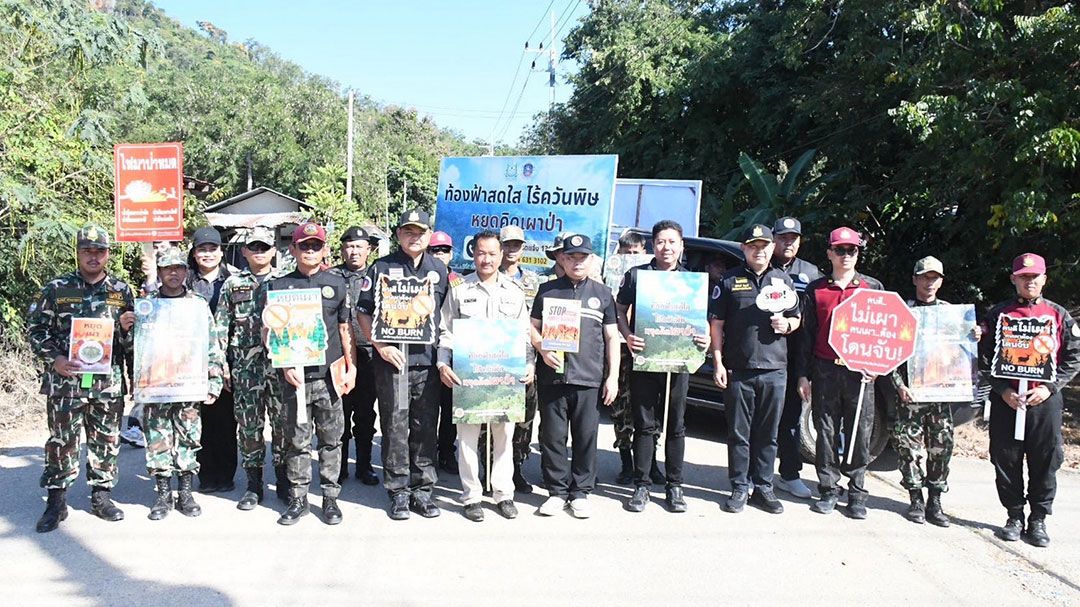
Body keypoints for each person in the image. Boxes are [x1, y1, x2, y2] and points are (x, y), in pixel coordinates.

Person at [27, 224, 136, 533]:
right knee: (62, 441)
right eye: (87, 250)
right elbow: (36, 330)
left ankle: (101, 497)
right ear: (77, 252)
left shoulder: (121, 291)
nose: (93, 256)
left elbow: (131, 342)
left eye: (99, 251)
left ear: (108, 254)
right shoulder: (56, 288)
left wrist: (126, 330)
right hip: (66, 381)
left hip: (106, 382)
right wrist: (56, 359)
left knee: (106, 439)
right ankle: (56, 502)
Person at [980, 253, 1080, 547]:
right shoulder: (998, 315)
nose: (1029, 281)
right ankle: (1014, 516)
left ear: (1044, 279)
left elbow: (1074, 357)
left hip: (1044, 402)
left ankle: (1038, 519)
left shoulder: (1058, 315)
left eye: (1034, 276)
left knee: (1045, 459)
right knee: (1005, 458)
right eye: (1024, 277)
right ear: (1014, 279)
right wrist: (1003, 390)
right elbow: (983, 359)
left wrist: (1050, 387)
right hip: (1007, 401)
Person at [356, 209, 450, 520]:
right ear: (398, 235)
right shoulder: (381, 268)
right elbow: (363, 312)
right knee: (395, 427)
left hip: (427, 363)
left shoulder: (439, 270)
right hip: (392, 363)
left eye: (420, 232)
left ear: (428, 235)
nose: (414, 237)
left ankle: (422, 491)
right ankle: (398, 491)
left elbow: (448, 317)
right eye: (408, 231)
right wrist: (381, 346)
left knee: (425, 427)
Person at [263, 222, 356, 526]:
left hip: (329, 377)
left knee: (332, 441)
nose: (311, 250)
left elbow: (344, 328)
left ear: (324, 249)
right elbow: (268, 331)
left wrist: (351, 366)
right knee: (297, 442)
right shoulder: (278, 286)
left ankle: (330, 498)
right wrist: (283, 364)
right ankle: (298, 499)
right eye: (305, 245)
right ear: (293, 249)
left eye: (316, 245)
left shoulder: (336, 284)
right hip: (296, 379)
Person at [437, 229, 534, 521]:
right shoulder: (459, 289)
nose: (486, 259)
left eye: (492, 253)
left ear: (501, 255)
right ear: (473, 254)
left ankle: (503, 494)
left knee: (504, 436)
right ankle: (471, 497)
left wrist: (529, 364)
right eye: (481, 253)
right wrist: (442, 364)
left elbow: (524, 333)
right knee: (467, 438)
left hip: (505, 377)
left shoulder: (514, 291)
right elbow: (446, 330)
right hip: (469, 376)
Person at [711, 224, 801, 514]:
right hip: (739, 369)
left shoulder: (783, 281)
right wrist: (718, 361)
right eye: (753, 246)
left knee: (768, 434)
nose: (759, 251)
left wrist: (788, 325)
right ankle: (739, 486)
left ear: (772, 248)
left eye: (764, 246)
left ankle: (763, 486)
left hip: (775, 369)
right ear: (744, 248)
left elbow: (797, 317)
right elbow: (716, 325)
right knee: (739, 433)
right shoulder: (729, 280)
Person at [619, 220, 708, 513]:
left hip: (679, 363)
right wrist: (627, 334)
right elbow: (619, 310)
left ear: (681, 246)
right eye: (660, 241)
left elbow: (704, 320)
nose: (666, 247)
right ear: (653, 245)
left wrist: (704, 336)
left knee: (676, 425)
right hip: (646, 360)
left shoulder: (691, 282)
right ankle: (642, 485)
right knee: (644, 425)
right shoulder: (637, 276)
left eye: (672, 242)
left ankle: (674, 485)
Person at [797, 226, 884, 519]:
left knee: (860, 432)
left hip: (860, 372)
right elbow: (806, 335)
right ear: (830, 253)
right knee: (826, 432)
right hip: (825, 370)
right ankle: (828, 489)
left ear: (857, 253)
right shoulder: (816, 289)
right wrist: (803, 375)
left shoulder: (872, 288)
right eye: (840, 250)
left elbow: (884, 332)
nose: (846, 255)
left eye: (852, 250)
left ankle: (857, 493)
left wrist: (879, 366)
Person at [530, 234, 620, 518]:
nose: (577, 262)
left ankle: (580, 492)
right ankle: (556, 492)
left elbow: (612, 337)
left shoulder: (603, 294)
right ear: (562, 259)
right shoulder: (547, 291)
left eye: (582, 257)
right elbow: (531, 327)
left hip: (588, 377)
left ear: (591, 260)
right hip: (552, 376)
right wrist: (542, 348)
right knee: (553, 437)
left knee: (586, 437)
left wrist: (613, 377)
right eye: (571, 257)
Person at [889, 256, 978, 527]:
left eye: (935, 278)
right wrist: (899, 386)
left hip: (941, 393)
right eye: (924, 277)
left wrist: (974, 335)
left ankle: (935, 500)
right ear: (915, 279)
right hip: (911, 394)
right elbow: (889, 354)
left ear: (941, 281)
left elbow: (963, 353)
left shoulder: (952, 314)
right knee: (908, 447)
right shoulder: (903, 312)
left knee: (941, 447)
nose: (929, 282)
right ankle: (915, 499)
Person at [141, 246, 225, 520]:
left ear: (186, 271)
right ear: (160, 272)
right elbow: (137, 347)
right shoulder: (147, 304)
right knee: (158, 438)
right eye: (167, 268)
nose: (173, 273)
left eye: (178, 268)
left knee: (189, 437)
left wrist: (214, 381)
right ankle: (163, 495)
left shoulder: (197, 304)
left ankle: (185, 493)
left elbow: (211, 343)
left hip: (188, 383)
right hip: (157, 385)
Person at [214, 226, 288, 509]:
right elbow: (221, 326)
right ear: (244, 251)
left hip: (279, 366)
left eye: (264, 247)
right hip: (245, 368)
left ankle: (283, 479)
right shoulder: (232, 284)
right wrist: (221, 365)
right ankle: (254, 484)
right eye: (254, 247)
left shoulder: (285, 282)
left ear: (273, 250)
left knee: (282, 424)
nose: (259, 252)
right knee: (249, 427)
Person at [770, 217, 823, 500]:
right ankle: (755, 474)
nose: (788, 243)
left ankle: (789, 474)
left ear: (800, 241)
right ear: (773, 240)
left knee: (791, 418)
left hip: (796, 357)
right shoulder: (761, 265)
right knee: (761, 418)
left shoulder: (811, 273)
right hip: (764, 354)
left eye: (793, 238)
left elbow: (817, 320)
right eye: (782, 238)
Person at [187, 226, 239, 492]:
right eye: (202, 249)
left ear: (221, 252)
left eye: (212, 249)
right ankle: (206, 475)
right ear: (194, 253)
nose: (207, 254)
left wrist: (227, 363)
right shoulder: (184, 282)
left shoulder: (234, 280)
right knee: (201, 419)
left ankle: (226, 475)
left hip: (227, 360)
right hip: (191, 361)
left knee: (226, 419)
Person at [327, 226, 380, 486]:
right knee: (339, 412)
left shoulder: (377, 275)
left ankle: (364, 465)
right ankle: (339, 466)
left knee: (365, 412)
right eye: (349, 246)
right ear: (342, 250)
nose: (354, 251)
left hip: (368, 351)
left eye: (359, 246)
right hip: (338, 353)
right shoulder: (330, 276)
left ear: (369, 249)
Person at [499, 225, 542, 492]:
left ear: (523, 248)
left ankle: (516, 469)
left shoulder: (535, 282)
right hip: (495, 359)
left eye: (517, 244)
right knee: (493, 416)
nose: (512, 249)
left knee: (524, 418)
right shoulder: (487, 277)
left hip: (527, 360)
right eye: (507, 244)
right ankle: (490, 470)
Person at [610, 230, 649, 485]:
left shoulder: (653, 275)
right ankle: (626, 461)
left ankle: (648, 462)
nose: (632, 257)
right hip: (621, 347)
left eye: (636, 253)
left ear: (644, 252)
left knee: (649, 407)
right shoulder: (612, 274)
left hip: (647, 346)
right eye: (627, 253)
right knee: (622, 406)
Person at [428, 230, 463, 474]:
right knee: (427, 408)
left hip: (453, 351)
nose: (440, 254)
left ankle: (447, 452)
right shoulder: (420, 277)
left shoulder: (460, 281)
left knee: (451, 408)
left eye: (444, 250)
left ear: (451, 254)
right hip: (426, 351)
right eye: (435, 250)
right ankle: (426, 453)